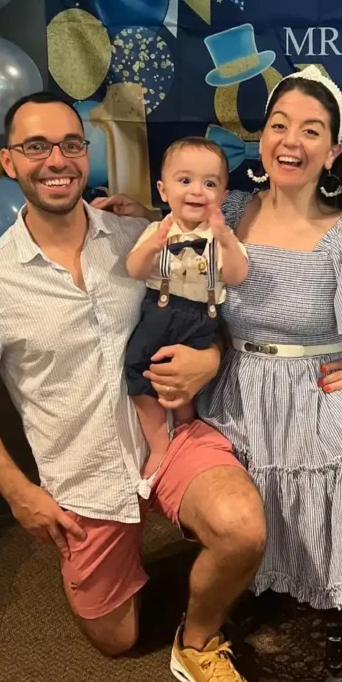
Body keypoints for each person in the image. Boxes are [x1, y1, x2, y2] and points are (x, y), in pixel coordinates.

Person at [0, 92, 265, 682]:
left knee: (243, 530)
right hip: (82, 474)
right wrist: (18, 492)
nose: (56, 160)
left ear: (87, 154)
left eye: (71, 144)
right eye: (36, 147)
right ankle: (124, 555)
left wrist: (211, 357)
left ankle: (197, 645)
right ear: (8, 162)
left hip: (169, 439)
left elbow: (207, 309)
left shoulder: (137, 232)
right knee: (115, 639)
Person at [101, 66, 342, 611]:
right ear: (264, 136)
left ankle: (301, 581)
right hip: (235, 390)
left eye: (311, 130)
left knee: (311, 482)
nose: (291, 141)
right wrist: (139, 216)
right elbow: (179, 229)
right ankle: (244, 580)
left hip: (315, 397)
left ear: (334, 150)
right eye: (279, 124)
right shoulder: (227, 209)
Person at [125, 137, 249, 478]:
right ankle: (158, 444)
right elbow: (134, 270)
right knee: (138, 368)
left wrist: (226, 241)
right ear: (163, 191)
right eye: (185, 181)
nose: (197, 191)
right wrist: (153, 245)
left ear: (223, 197)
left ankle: (185, 428)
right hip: (160, 310)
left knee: (186, 382)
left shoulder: (221, 236)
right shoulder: (156, 229)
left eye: (209, 183)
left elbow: (238, 276)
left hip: (201, 318)